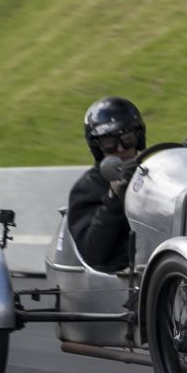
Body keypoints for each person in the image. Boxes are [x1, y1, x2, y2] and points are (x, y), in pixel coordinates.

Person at [67, 96, 146, 273]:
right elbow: (91, 254)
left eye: (127, 138)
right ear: (97, 148)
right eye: (109, 143)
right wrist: (113, 201)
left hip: (164, 267)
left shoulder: (154, 173)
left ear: (139, 138)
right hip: (121, 277)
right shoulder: (86, 188)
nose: (120, 149)